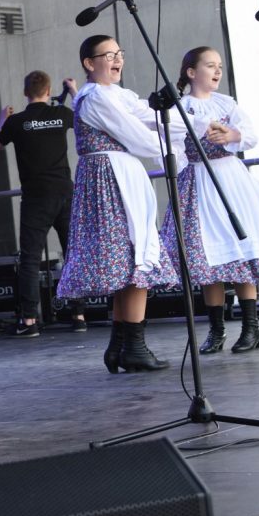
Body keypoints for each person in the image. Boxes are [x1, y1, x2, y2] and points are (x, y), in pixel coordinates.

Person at [162, 46, 259, 354]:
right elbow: (169, 144)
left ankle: (251, 328)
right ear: (191, 72)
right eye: (210, 66)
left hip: (230, 179)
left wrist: (231, 136)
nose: (217, 71)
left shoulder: (226, 103)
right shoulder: (179, 108)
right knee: (208, 259)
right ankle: (216, 329)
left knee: (242, 251)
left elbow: (251, 136)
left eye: (219, 67)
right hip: (198, 180)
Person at [56, 35, 180, 373]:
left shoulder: (115, 95)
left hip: (118, 174)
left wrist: (192, 122)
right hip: (110, 178)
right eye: (108, 55)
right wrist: (171, 145)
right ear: (89, 63)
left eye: (119, 53)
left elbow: (147, 116)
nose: (117, 59)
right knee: (133, 258)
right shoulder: (95, 97)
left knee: (129, 262)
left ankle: (120, 346)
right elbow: (137, 134)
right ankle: (133, 347)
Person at [0, 71, 87, 336]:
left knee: (30, 259)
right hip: (65, 192)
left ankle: (29, 321)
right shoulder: (62, 114)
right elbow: (85, 115)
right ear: (49, 89)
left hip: (36, 197)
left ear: (25, 93)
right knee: (72, 254)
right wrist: (74, 90)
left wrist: (2, 120)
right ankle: (78, 315)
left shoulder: (16, 122)